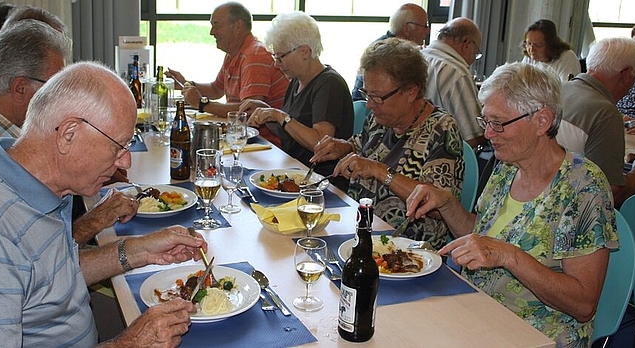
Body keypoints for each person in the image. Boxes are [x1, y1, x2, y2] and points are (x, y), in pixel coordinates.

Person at [0, 61, 207, 347]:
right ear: (68, 135)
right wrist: (128, 345)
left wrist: (140, 250)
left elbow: (53, 276)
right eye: (118, 146)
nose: (126, 161)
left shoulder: (37, 186)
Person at [406, 62, 617, 347]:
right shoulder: (508, 165)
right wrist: (447, 204)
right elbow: (481, 237)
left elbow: (582, 304)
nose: (489, 134)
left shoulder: (583, 186)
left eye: (499, 123)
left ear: (542, 120)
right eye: (486, 122)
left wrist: (510, 256)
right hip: (477, 310)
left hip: (537, 335)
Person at [0, 18, 135, 244]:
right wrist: (96, 219)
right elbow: (33, 253)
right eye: (54, 86)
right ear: (20, 88)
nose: (65, 96)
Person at [311, 37, 463, 249]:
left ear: (411, 91)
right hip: (357, 228)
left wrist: (380, 171)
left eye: (378, 97)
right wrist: (342, 147)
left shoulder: (441, 129)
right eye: (367, 94)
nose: (370, 104)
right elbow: (362, 143)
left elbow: (438, 206)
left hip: (407, 248)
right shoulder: (381, 116)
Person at [240, 11, 354, 191]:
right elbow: (290, 131)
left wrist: (280, 116)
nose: (277, 64)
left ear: (304, 51)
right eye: (274, 57)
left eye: (280, 57)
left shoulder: (329, 84)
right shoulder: (296, 81)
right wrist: (266, 113)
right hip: (294, 173)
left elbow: (320, 144)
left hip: (321, 184)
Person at [164, 2, 288, 146]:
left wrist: (202, 105)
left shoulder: (255, 55)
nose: (212, 32)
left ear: (238, 26)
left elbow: (248, 111)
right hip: (244, 137)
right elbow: (216, 89)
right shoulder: (234, 53)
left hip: (267, 145)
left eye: (217, 25)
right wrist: (186, 83)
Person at [557, 37, 635, 207]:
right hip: (570, 210)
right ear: (626, 74)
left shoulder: (558, 89)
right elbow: (606, 195)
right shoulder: (605, 112)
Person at [422, 17, 486, 148]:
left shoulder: (420, 55)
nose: (474, 59)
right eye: (476, 52)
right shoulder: (457, 72)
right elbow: (473, 135)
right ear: (467, 43)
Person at [351, 3, 429, 101]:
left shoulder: (386, 46)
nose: (427, 31)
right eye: (425, 26)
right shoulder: (389, 54)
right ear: (407, 28)